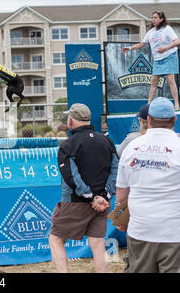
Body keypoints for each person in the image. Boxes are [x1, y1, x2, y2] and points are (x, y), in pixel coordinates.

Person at [115, 97, 180, 273]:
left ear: (148, 120)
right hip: (175, 232)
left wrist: (119, 218)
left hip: (140, 230)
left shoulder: (132, 147)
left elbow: (121, 191)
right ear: (175, 119)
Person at [48, 103, 118, 273]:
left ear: (71, 120)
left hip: (75, 203)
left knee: (56, 239)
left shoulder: (68, 145)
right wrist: (104, 195)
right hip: (102, 203)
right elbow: (116, 170)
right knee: (97, 244)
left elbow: (71, 176)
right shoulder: (107, 141)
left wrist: (91, 196)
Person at [121, 11, 180, 109]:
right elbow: (141, 44)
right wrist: (129, 48)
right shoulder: (151, 32)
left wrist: (165, 48)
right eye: (152, 17)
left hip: (170, 56)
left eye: (156, 17)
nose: (153, 19)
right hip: (158, 59)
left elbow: (177, 41)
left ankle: (177, 104)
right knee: (154, 81)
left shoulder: (167, 29)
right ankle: (149, 105)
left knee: (171, 80)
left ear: (161, 19)